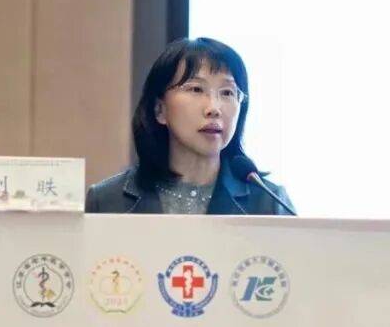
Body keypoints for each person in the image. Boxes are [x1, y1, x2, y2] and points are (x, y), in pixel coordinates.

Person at [86, 37, 295, 215]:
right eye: (196, 89)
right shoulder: (107, 201)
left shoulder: (270, 203)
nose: (214, 108)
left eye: (227, 92)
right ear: (160, 110)